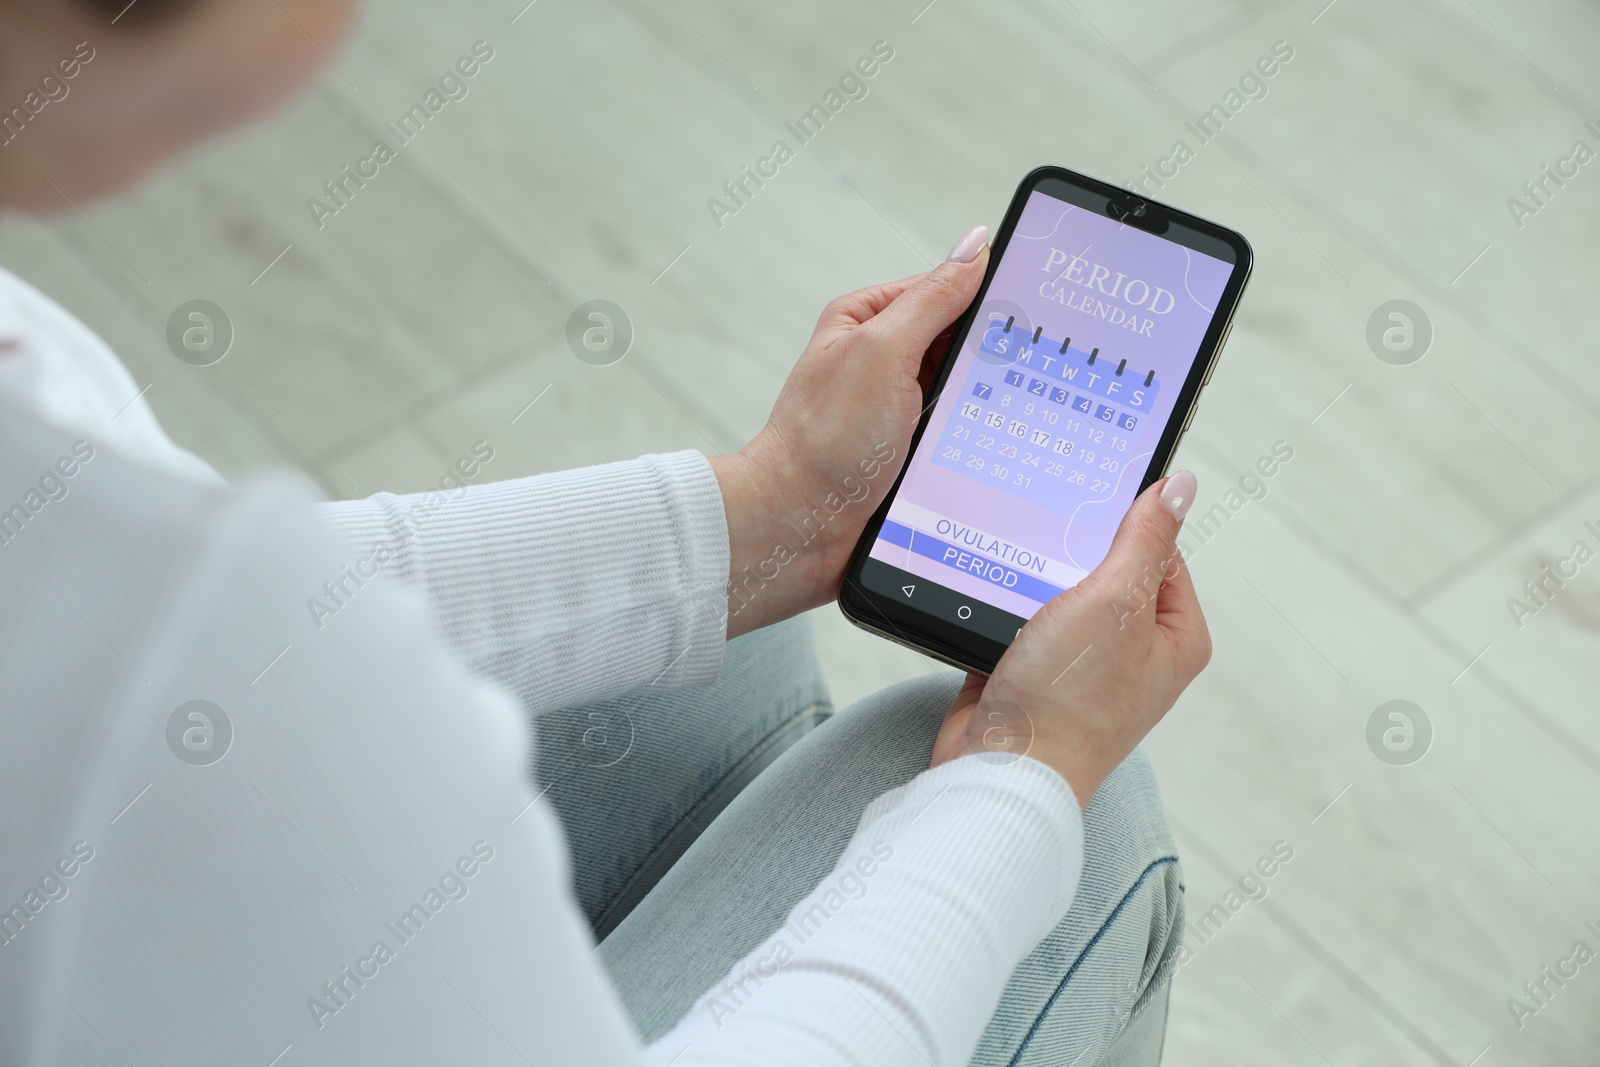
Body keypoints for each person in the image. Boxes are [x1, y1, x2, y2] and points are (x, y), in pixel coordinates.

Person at [0, 0, 1209, 1063]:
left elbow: (258, 641)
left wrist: (774, 511)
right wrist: (1020, 774)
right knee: (1082, 828)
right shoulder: (166, 647)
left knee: (727, 657)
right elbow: (244, 657)